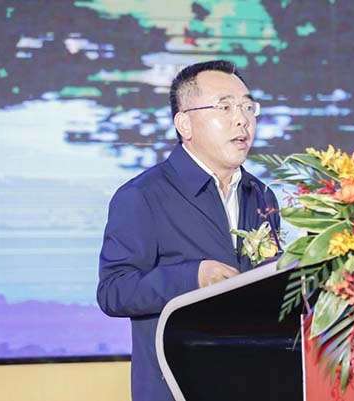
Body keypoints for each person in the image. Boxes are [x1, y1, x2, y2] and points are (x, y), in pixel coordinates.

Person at [97, 60, 280, 401]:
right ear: (184, 124)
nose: (242, 119)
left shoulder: (261, 194)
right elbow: (113, 291)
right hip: (178, 388)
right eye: (225, 107)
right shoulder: (143, 195)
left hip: (253, 382)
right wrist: (191, 277)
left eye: (247, 107)